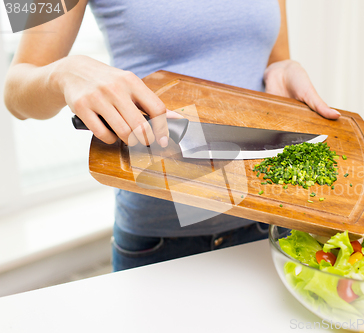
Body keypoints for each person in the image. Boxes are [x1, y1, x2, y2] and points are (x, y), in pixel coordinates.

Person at [4, 0, 341, 271]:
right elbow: (15, 87)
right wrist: (64, 72)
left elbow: (275, 59)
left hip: (270, 221)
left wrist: (284, 69)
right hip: (163, 240)